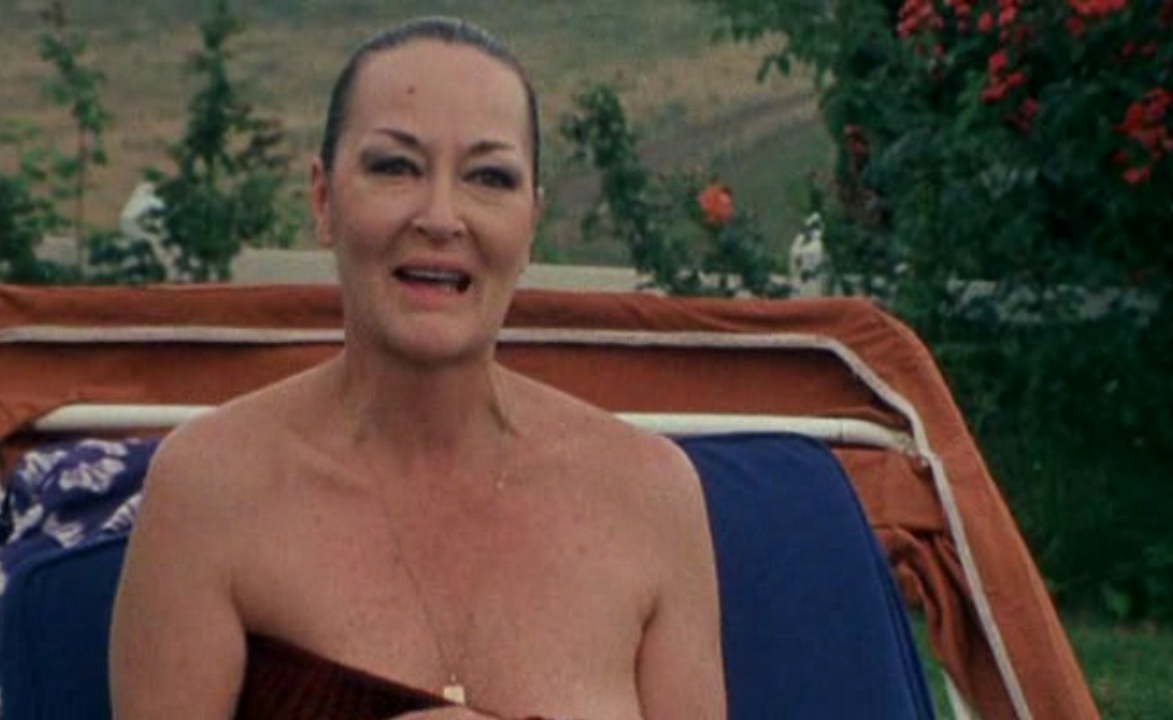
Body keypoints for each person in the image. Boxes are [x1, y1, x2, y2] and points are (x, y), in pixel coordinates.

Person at [109, 16, 726, 720]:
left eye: (489, 177)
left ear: (531, 222)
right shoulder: (210, 488)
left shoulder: (651, 496)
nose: (440, 216)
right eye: (395, 167)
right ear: (323, 200)